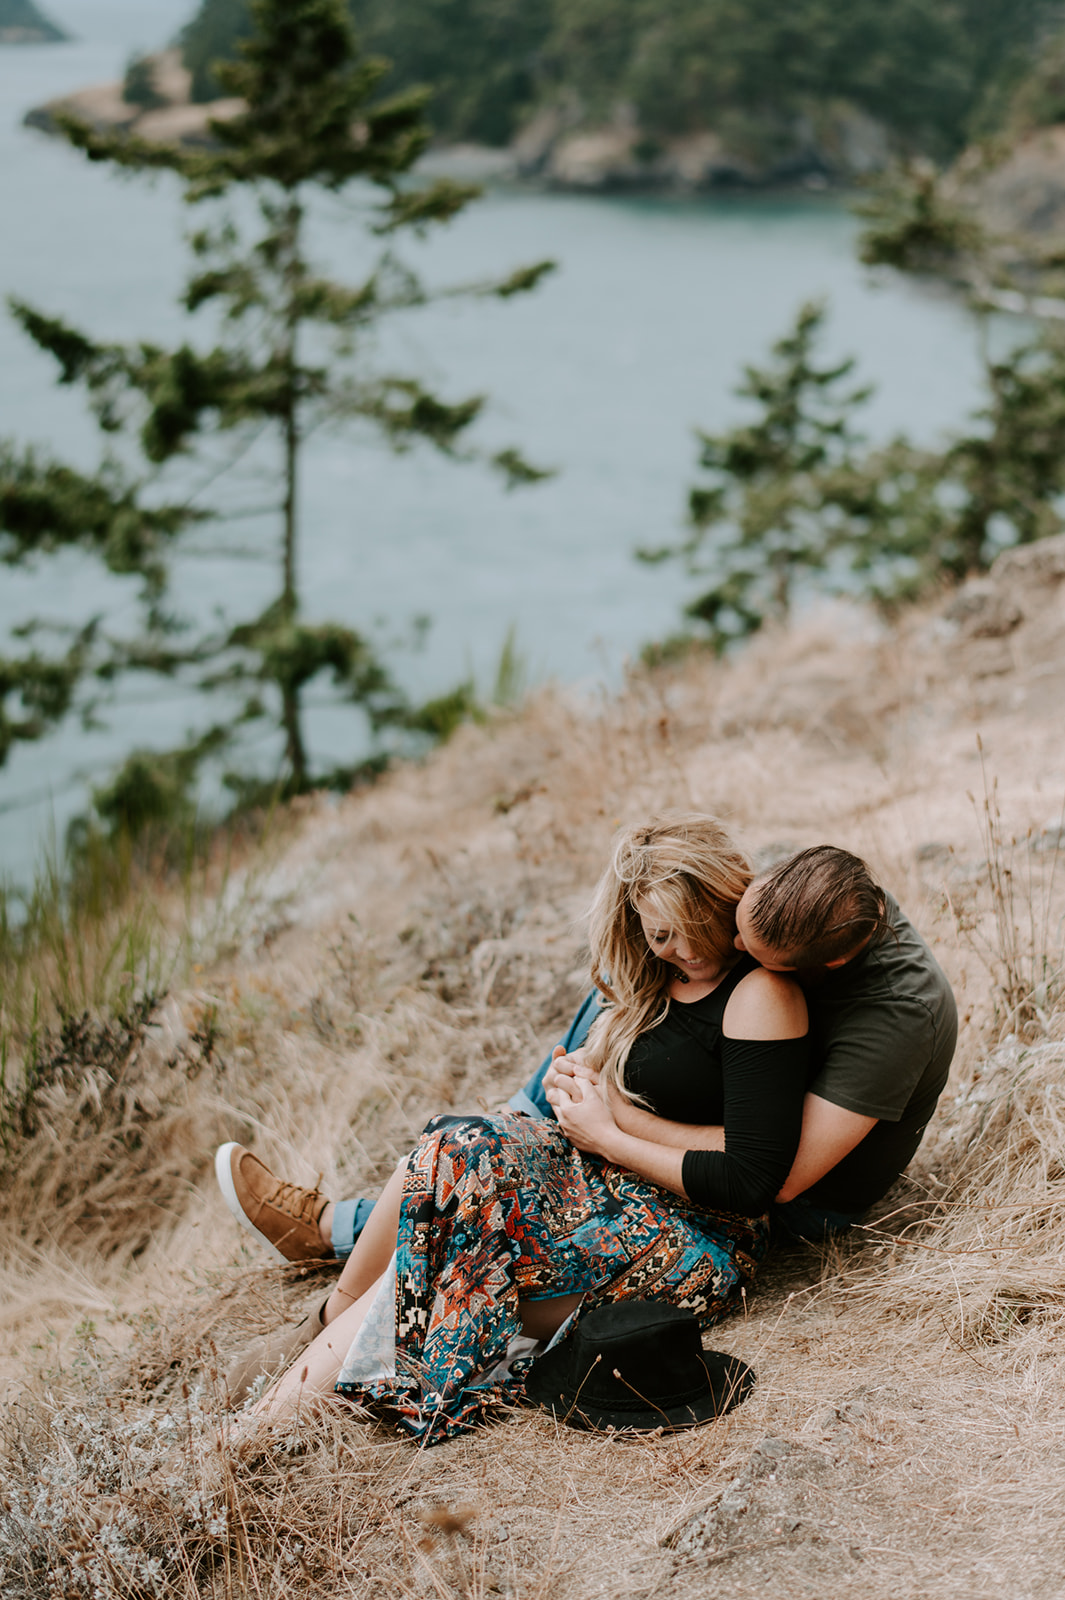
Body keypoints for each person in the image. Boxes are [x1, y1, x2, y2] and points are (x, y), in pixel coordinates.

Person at [231, 813, 811, 1444]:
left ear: (727, 900)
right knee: (454, 1147)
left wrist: (610, 1129)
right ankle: (321, 1331)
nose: (687, 950)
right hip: (604, 1178)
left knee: (444, 1251)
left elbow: (752, 1174)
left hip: (695, 1228)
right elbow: (617, 1085)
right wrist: (577, 1085)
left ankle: (249, 1438)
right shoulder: (655, 979)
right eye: (663, 934)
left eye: (697, 929)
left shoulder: (759, 996)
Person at [218, 844, 958, 1262]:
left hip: (785, 1207)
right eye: (738, 925)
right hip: (748, 1108)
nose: (730, 949)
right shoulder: (806, 892)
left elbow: (776, 1177)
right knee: (649, 993)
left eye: (749, 954)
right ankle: (513, 1124)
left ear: (814, 970)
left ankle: (339, 1229)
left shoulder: (898, 1016)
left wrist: (613, 1123)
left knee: (543, 1164)